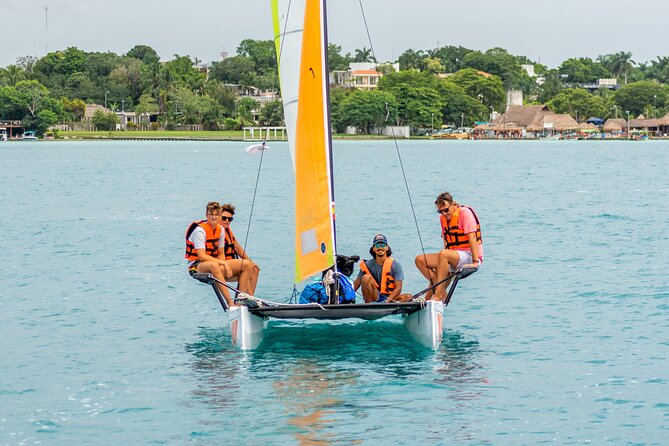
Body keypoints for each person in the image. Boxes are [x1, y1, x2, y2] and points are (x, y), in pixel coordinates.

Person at [415, 192, 483, 301]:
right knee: (420, 260)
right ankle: (440, 291)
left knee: (443, 254)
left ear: (453, 204)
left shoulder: (465, 213)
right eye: (440, 211)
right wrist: (446, 265)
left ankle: (438, 294)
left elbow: (472, 238)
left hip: (469, 255)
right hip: (452, 256)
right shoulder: (443, 219)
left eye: (446, 210)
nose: (444, 214)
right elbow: (446, 241)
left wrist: (475, 262)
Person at [185, 201, 234, 307]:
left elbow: (221, 253)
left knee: (249, 265)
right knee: (214, 265)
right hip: (196, 265)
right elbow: (202, 256)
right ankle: (230, 303)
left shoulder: (220, 229)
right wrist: (223, 264)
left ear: (220, 216)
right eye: (211, 214)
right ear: (206, 215)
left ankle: (245, 301)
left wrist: (223, 263)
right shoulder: (200, 231)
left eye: (217, 215)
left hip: (214, 262)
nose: (214, 217)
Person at [353, 234, 412, 303]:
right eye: (377, 246)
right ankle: (368, 307)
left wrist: (387, 301)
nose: (380, 248)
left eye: (383, 245)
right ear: (374, 249)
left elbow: (398, 288)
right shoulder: (367, 265)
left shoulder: (396, 265)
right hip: (375, 296)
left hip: (390, 299)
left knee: (408, 297)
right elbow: (356, 284)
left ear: (387, 248)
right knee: (366, 278)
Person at [220, 203, 260, 295]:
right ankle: (243, 299)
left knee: (254, 269)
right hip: (221, 265)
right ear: (218, 217)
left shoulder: (228, 231)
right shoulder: (217, 231)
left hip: (231, 263)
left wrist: (250, 261)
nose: (227, 221)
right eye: (224, 218)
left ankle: (250, 300)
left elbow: (237, 248)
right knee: (246, 266)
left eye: (230, 219)